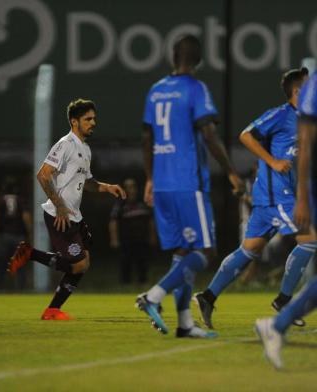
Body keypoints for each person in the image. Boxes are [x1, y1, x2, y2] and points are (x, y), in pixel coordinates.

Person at [135, 35, 244, 338]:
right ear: (198, 60)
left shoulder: (155, 91)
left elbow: (146, 138)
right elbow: (209, 134)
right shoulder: (195, 88)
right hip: (188, 182)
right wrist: (232, 173)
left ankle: (184, 323)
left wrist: (149, 178)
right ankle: (153, 296)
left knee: (183, 251)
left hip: (162, 184)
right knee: (205, 251)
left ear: (172, 57)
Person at [194, 68, 317, 329]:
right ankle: (284, 301)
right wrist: (272, 161)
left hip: (272, 196)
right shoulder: (281, 114)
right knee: (309, 240)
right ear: (298, 92)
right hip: (277, 196)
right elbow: (246, 135)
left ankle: (208, 296)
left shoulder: (305, 120)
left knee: (249, 250)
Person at [8, 99, 126, 320]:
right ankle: (32, 257)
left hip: (75, 215)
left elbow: (87, 182)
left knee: (83, 263)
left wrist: (107, 187)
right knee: (78, 264)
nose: (93, 123)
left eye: (94, 119)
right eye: (88, 119)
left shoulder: (85, 149)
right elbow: (43, 174)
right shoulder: (65, 144)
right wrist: (60, 206)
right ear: (74, 122)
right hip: (58, 215)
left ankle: (52, 309)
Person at [255, 70, 317, 369]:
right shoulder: (314, 84)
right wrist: (302, 196)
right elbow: (305, 144)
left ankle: (276, 325)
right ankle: (278, 320)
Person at [109, 177, 156, 284]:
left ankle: (143, 282)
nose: (131, 189)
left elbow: (150, 220)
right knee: (125, 262)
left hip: (142, 238)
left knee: (143, 261)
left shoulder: (143, 202)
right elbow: (113, 222)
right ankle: (125, 284)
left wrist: (153, 236)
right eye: (128, 187)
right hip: (126, 239)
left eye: (133, 186)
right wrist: (114, 239)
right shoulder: (120, 204)